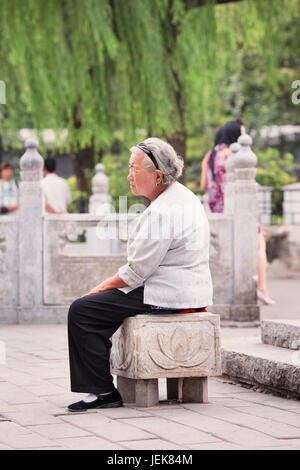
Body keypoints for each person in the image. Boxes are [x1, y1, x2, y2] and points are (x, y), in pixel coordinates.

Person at [67, 137, 213, 412]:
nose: (128, 175)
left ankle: (103, 392)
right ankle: (101, 385)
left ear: (157, 175)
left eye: (134, 168)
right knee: (97, 306)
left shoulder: (164, 210)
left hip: (167, 293)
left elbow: (136, 272)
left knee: (83, 310)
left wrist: (99, 288)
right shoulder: (181, 196)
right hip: (186, 289)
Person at [201, 119, 275, 305]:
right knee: (259, 244)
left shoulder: (209, 155)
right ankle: (262, 288)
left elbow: (203, 184)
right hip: (238, 209)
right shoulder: (236, 155)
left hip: (216, 211)